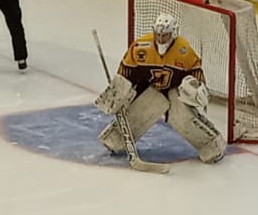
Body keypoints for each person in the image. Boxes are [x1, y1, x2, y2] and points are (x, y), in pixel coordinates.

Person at [95, 12, 226, 164]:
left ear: (173, 33)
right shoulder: (140, 47)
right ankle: (116, 138)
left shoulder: (183, 50)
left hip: (175, 90)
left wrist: (196, 87)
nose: (161, 38)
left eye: (165, 35)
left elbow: (195, 71)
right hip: (149, 87)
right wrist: (118, 91)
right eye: (158, 34)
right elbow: (126, 71)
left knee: (182, 117)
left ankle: (212, 144)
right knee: (142, 110)